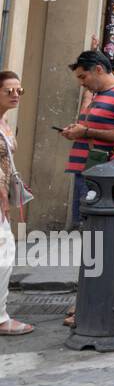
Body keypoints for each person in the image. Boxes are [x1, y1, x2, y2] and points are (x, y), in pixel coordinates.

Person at [62, 50, 114, 229]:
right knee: (85, 227)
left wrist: (86, 132)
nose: (82, 83)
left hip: (103, 173)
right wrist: (77, 131)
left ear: (98, 69)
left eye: (83, 77)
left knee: (94, 228)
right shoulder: (99, 94)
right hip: (88, 170)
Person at [0, 71, 34, 336]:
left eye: (19, 91)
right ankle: (0, 317)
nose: (15, 95)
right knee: (4, 254)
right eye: (8, 91)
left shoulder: (6, 122)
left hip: (4, 195)